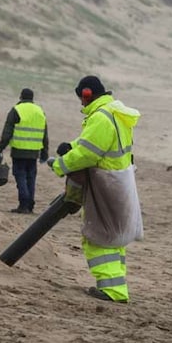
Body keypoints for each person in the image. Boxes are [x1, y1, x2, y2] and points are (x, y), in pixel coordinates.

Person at [49, 75, 143, 303]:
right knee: (113, 237)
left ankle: (112, 291)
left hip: (105, 184)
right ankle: (116, 286)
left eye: (81, 98)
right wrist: (71, 146)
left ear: (87, 94)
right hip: (119, 180)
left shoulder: (100, 117)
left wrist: (60, 164)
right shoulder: (114, 113)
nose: (81, 103)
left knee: (98, 237)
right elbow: (96, 144)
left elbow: (88, 154)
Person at [0, 88, 49, 214]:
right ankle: (30, 205)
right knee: (31, 177)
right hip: (34, 151)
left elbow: (7, 134)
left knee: (20, 175)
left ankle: (23, 204)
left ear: (20, 97)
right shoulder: (40, 111)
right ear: (32, 98)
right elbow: (45, 134)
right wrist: (45, 153)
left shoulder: (16, 110)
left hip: (19, 150)